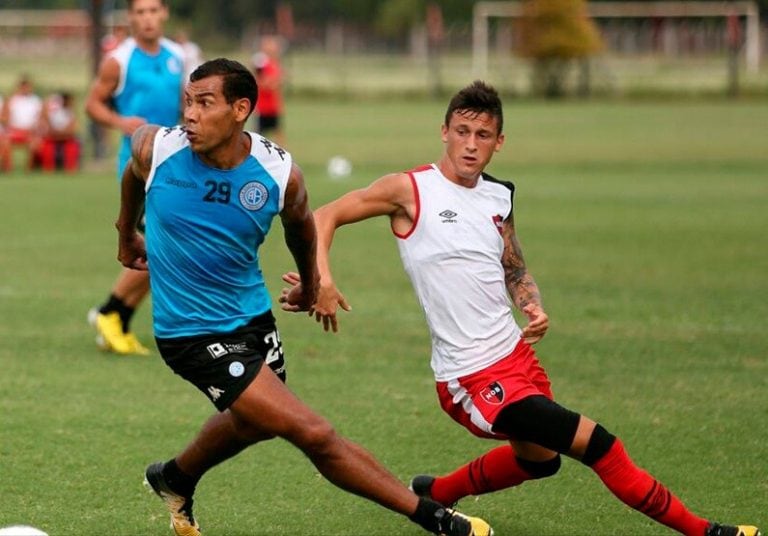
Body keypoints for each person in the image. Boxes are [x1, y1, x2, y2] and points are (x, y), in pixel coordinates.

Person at [279, 81, 762, 536]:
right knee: (601, 446)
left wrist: (532, 304)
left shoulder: (498, 196)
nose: (471, 144)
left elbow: (512, 264)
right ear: (444, 132)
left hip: (517, 357)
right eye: (462, 132)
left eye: (483, 135)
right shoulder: (410, 190)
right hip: (470, 377)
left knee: (540, 460)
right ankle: (706, 530)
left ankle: (433, 492)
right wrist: (320, 280)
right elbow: (326, 215)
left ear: (499, 142)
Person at [114, 58, 492, 536]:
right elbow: (133, 173)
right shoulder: (157, 148)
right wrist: (127, 231)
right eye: (188, 102)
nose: (189, 114)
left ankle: (173, 477)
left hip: (252, 317)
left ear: (240, 109)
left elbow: (300, 228)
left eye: (204, 103)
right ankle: (435, 519)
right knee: (312, 431)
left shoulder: (278, 173)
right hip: (190, 333)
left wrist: (313, 286)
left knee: (253, 423)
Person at [85, 0, 185, 356]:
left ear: (165, 14)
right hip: (138, 167)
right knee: (162, 247)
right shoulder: (120, 59)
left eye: (153, 10)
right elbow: (93, 103)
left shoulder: (177, 55)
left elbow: (185, 106)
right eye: (140, 12)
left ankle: (116, 317)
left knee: (166, 248)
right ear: (131, 17)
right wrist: (120, 122)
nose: (147, 18)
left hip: (175, 163)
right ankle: (112, 312)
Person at [0, 75, 43, 171]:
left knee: (35, 144)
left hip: (30, 132)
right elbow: (5, 117)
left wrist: (35, 129)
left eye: (27, 87)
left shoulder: (36, 101)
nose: (25, 89)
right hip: (14, 131)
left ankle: (30, 169)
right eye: (23, 87)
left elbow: (40, 118)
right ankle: (7, 169)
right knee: (5, 142)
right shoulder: (12, 100)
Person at [251, 35, 285, 147]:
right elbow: (259, 81)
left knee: (278, 133)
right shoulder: (261, 62)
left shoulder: (275, 64)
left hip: (273, 106)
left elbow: (278, 82)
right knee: (257, 137)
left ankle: (284, 159)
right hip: (262, 107)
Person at [38, 91, 81, 172]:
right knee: (47, 145)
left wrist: (61, 133)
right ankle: (48, 168)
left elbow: (72, 129)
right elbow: (48, 126)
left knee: (73, 144)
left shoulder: (70, 113)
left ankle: (71, 168)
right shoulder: (53, 111)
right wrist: (58, 133)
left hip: (65, 137)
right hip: (53, 136)